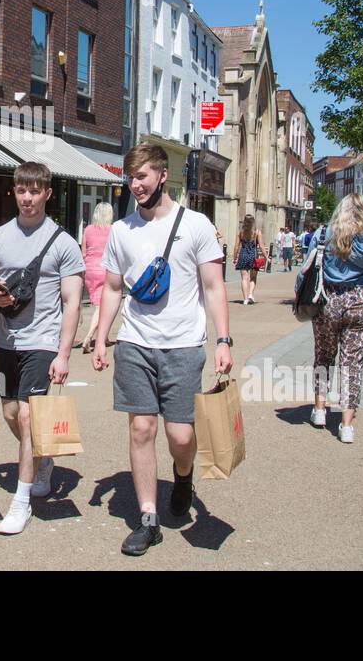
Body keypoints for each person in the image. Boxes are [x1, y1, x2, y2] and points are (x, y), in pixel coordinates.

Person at [92, 143, 232, 557]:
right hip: (136, 342)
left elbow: (213, 287)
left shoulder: (197, 225)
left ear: (162, 175)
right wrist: (101, 336)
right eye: (130, 177)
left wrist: (223, 339)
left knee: (180, 435)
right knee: (141, 428)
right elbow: (113, 289)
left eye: (142, 177)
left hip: (183, 346)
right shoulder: (121, 231)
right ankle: (148, 520)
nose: (134, 185)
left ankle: (183, 475)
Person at [0, 162, 84, 534]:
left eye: (35, 191)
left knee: (26, 415)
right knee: (9, 412)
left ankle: (20, 503)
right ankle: (43, 458)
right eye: (22, 191)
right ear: (15, 192)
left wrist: (64, 353)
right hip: (6, 340)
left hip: (43, 341)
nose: (27, 198)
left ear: (47, 194)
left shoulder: (64, 243)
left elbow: (72, 302)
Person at [306, 194, 363, 442]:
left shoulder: (324, 233)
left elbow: (309, 265)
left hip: (329, 301)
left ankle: (320, 409)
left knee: (323, 356)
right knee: (352, 363)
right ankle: (346, 425)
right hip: (361, 301)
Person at [79, 202, 113, 353]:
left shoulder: (88, 229)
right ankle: (89, 337)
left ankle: (103, 337)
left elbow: (84, 253)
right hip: (105, 269)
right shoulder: (112, 230)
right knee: (102, 306)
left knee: (101, 305)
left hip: (90, 269)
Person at [233, 214, 266, 304]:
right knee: (253, 277)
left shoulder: (240, 232)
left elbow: (236, 247)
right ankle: (251, 294)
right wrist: (266, 256)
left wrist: (234, 257)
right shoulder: (257, 232)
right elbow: (262, 246)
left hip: (243, 255)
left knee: (244, 278)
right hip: (253, 256)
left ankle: (245, 299)